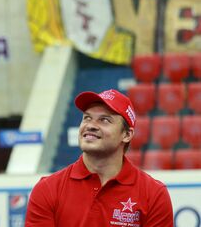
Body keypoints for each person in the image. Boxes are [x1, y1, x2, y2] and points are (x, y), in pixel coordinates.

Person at [25, 89, 174, 227]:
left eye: (104, 120)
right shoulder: (47, 190)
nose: (90, 125)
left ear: (127, 135)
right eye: (87, 118)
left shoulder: (154, 194)